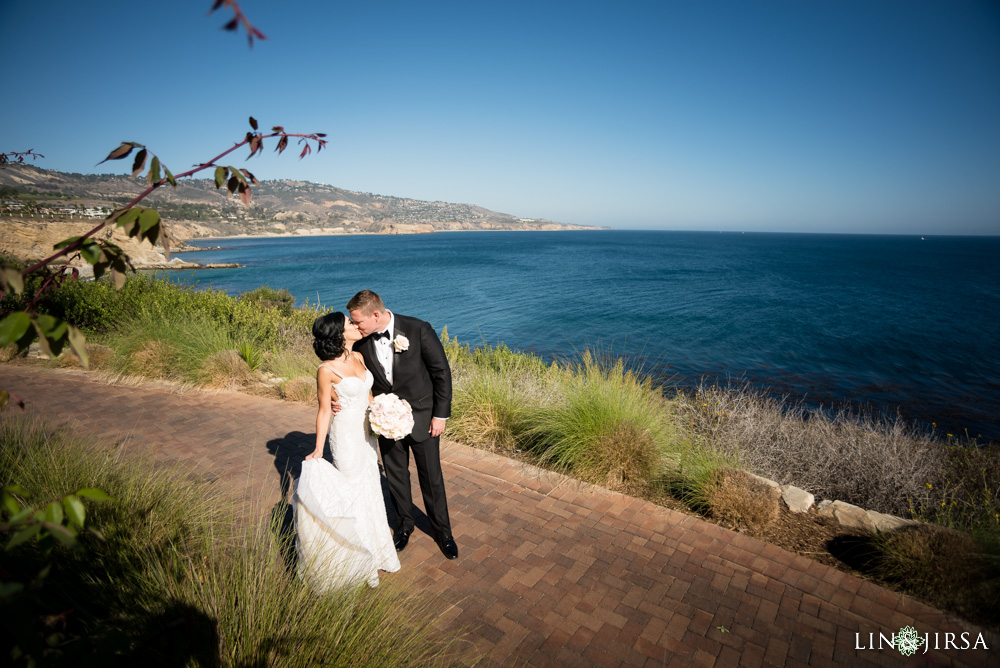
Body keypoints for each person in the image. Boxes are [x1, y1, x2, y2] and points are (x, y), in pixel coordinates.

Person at [346, 289, 458, 560]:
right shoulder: (359, 343)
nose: (354, 326)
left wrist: (440, 416)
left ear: (375, 314)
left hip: (424, 420)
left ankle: (443, 531)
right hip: (386, 423)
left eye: (357, 321)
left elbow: (441, 372)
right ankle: (405, 526)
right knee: (396, 477)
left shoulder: (418, 329)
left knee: (431, 478)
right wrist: (339, 399)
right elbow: (353, 375)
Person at [292, 312, 400, 591]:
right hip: (345, 438)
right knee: (351, 492)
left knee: (371, 489)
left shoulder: (360, 358)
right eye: (350, 324)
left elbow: (368, 395)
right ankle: (356, 559)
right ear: (339, 334)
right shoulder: (326, 370)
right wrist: (318, 448)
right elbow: (324, 409)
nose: (355, 325)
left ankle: (376, 551)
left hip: (366, 436)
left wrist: (382, 413)